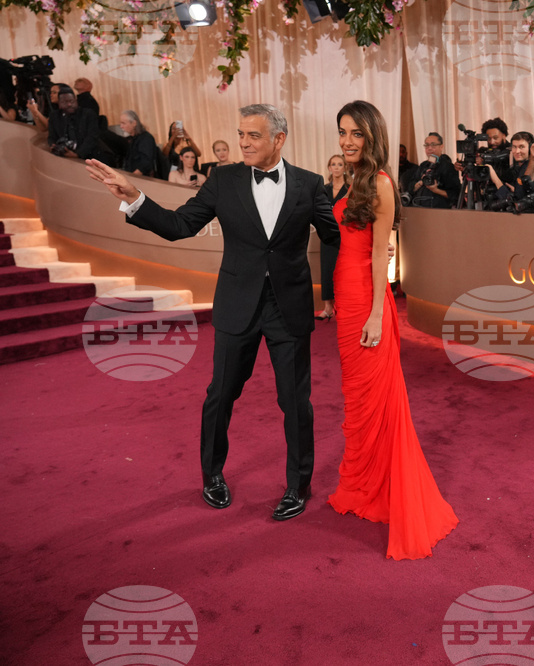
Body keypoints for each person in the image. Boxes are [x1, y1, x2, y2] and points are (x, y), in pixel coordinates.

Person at [85, 103, 342, 521]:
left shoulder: (311, 185)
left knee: (296, 402)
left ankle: (298, 485)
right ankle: (212, 476)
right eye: (240, 133)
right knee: (220, 395)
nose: (243, 142)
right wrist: (135, 197)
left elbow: (336, 237)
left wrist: (374, 246)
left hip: (289, 308)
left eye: (253, 135)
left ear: (279, 139)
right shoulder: (223, 179)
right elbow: (179, 225)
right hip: (237, 305)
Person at [327, 100, 458, 560]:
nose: (347, 141)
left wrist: (376, 315)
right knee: (357, 399)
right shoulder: (350, 180)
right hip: (346, 301)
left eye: (356, 134)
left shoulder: (380, 183)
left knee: (376, 399)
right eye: (342, 132)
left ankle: (384, 491)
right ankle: (363, 486)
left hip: (367, 300)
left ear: (372, 136)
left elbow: (381, 256)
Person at [316, 154, 350, 321]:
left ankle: (343, 308)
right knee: (327, 272)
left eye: (340, 164)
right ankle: (328, 308)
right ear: (329, 168)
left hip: (346, 237)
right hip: (327, 237)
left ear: (345, 168)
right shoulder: (323, 189)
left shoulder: (351, 189)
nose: (336, 167)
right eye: (333, 164)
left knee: (344, 273)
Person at [47, 85, 101, 160]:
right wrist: (53, 145)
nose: (69, 104)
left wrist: (78, 154)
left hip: (90, 156)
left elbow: (92, 137)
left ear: (76, 100)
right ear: (59, 103)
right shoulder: (54, 116)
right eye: (65, 102)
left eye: (71, 101)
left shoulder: (88, 114)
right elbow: (51, 136)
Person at [409, 132, 459, 208]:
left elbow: (455, 194)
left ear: (441, 147)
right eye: (427, 145)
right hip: (419, 208)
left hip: (438, 211)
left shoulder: (448, 167)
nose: (429, 148)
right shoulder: (423, 165)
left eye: (433, 145)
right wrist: (421, 182)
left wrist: (435, 190)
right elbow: (411, 187)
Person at [119, 110, 158, 177]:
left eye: (124, 123)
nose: (121, 126)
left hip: (143, 179)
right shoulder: (131, 139)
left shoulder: (146, 138)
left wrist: (132, 177)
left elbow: (145, 163)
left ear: (134, 123)